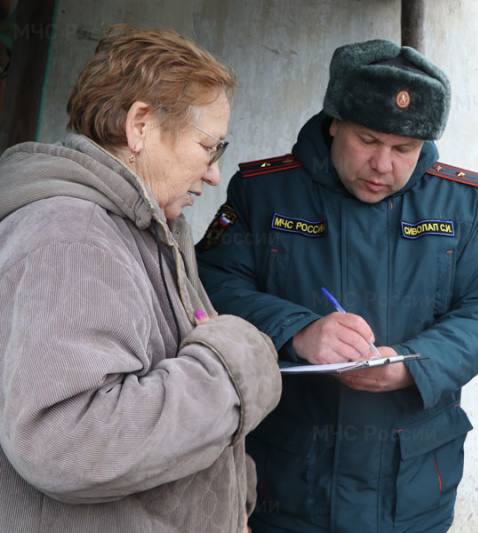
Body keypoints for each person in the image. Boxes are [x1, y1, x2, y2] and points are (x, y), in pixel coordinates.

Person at [196, 39, 478, 532]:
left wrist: (414, 365)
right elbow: (209, 285)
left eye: (403, 149)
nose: (383, 165)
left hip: (411, 489)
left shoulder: (460, 203)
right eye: (368, 141)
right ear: (334, 123)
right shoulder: (265, 192)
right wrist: (297, 331)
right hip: (286, 481)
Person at [0, 26, 282, 532]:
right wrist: (234, 372)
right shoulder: (74, 237)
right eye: (209, 146)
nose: (215, 173)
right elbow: (67, 440)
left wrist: (237, 502)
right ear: (141, 126)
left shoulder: (151, 228)